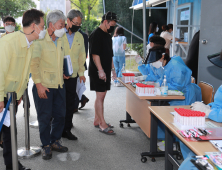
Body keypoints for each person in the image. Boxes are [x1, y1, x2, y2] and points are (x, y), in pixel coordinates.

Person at [0, 9, 45, 170]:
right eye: (43, 26)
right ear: (34, 26)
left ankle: (12, 165)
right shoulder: (8, 42)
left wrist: (18, 95)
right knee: (8, 132)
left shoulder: (30, 44)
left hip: (12, 96)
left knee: (10, 132)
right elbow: (0, 71)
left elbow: (25, 73)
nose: (44, 29)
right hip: (2, 94)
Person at [31, 10, 68, 160]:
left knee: (60, 115)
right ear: (51, 25)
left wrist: (64, 72)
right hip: (44, 85)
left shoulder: (60, 39)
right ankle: (46, 144)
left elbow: (61, 59)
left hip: (59, 84)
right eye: (61, 24)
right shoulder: (40, 40)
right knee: (45, 117)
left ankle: (54, 140)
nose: (64, 27)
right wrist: (38, 85)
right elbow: (34, 65)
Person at [88, 11, 117, 135]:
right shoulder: (96, 34)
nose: (113, 27)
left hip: (105, 70)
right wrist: (100, 70)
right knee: (101, 96)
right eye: (112, 24)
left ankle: (96, 119)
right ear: (106, 22)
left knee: (101, 96)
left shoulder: (107, 35)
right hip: (97, 71)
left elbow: (110, 55)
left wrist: (113, 70)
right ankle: (102, 123)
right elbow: (95, 55)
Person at [62, 9, 86, 140]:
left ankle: (66, 129)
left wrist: (81, 73)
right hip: (58, 76)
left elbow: (82, 56)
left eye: (79, 23)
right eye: (75, 23)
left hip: (72, 76)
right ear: (68, 21)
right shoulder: (59, 34)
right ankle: (55, 130)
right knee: (58, 103)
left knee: (70, 103)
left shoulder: (79, 36)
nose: (77, 25)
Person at [0, 16, 16, 149]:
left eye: (12, 24)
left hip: (13, 87)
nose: (10, 26)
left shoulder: (19, 40)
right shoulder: (1, 40)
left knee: (9, 121)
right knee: (6, 123)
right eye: (7, 24)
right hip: (3, 86)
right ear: (4, 25)